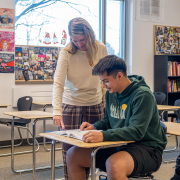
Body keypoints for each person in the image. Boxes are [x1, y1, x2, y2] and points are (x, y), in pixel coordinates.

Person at [66, 55, 167, 180]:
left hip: (147, 149)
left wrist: (103, 135)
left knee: (114, 165)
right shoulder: (111, 93)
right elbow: (109, 120)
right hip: (119, 144)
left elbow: (136, 132)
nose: (103, 85)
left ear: (119, 76)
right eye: (101, 81)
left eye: (106, 81)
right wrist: (95, 126)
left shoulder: (143, 95)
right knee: (73, 155)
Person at [52, 17, 108, 179]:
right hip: (70, 104)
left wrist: (106, 104)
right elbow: (58, 83)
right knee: (69, 150)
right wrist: (57, 111)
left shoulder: (100, 49)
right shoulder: (67, 52)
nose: (79, 44)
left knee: (92, 149)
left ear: (89, 35)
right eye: (74, 40)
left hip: (95, 104)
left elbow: (105, 77)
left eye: (82, 40)